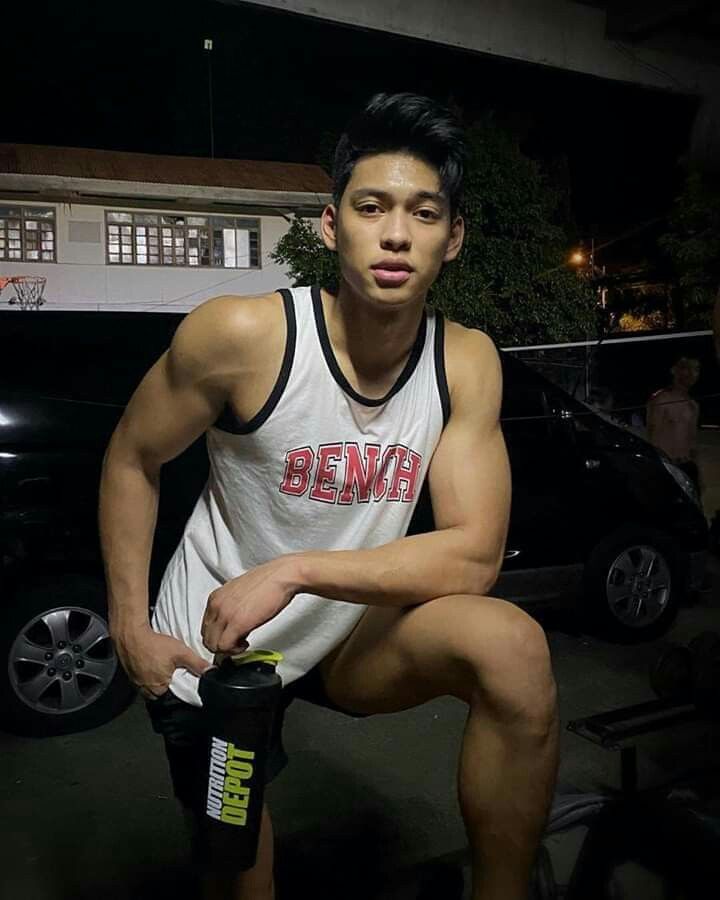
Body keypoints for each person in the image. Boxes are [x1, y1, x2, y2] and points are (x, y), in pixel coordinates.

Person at [99, 92, 559, 900]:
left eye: (423, 213)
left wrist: (295, 572)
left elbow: (474, 552)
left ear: (452, 239)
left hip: (342, 628)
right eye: (371, 206)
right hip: (216, 648)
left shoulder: (466, 362)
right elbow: (132, 460)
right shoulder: (241, 337)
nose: (394, 234)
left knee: (513, 647)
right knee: (241, 877)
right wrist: (129, 625)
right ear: (329, 223)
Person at [646, 356, 702, 493]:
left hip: (687, 466)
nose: (691, 373)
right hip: (668, 467)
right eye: (685, 368)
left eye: (696, 369)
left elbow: (692, 441)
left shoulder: (693, 405)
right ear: (674, 370)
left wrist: (697, 473)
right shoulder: (661, 399)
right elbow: (653, 438)